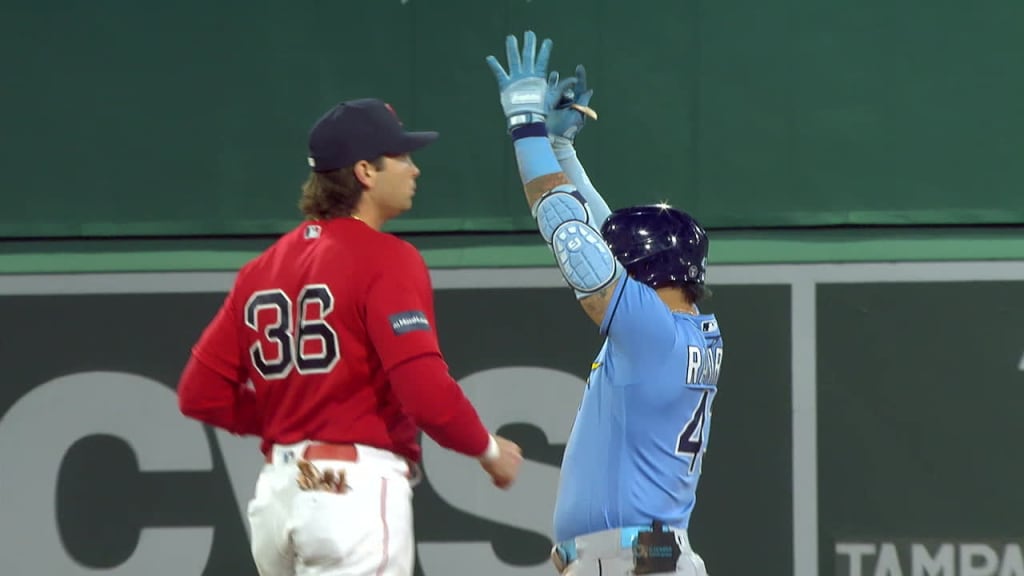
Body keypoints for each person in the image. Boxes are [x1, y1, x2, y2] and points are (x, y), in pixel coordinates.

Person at [177, 97, 523, 576]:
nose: (413, 169)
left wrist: (293, 418)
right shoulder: (385, 257)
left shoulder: (261, 269)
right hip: (348, 493)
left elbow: (200, 394)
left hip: (278, 495)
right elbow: (426, 395)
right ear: (365, 171)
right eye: (400, 157)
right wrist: (488, 451)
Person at [486, 32, 723, 576]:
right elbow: (602, 239)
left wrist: (526, 127)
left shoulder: (652, 333)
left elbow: (572, 236)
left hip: (631, 561)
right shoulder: (685, 328)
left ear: (645, 270)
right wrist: (563, 150)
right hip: (644, 557)